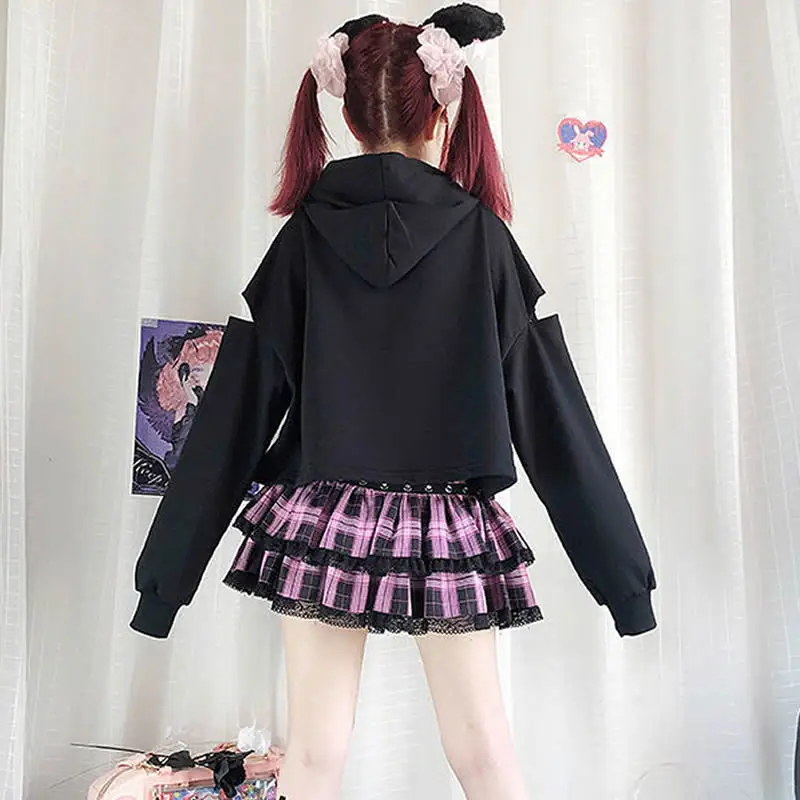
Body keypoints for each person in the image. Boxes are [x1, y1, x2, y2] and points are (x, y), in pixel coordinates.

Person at [129, 6, 657, 799]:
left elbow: (231, 419)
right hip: (446, 526)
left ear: (345, 116)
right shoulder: (484, 239)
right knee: (486, 757)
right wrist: (625, 583)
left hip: (320, 523)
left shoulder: (303, 239)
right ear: (440, 113)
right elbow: (555, 421)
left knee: (314, 759)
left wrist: (163, 585)